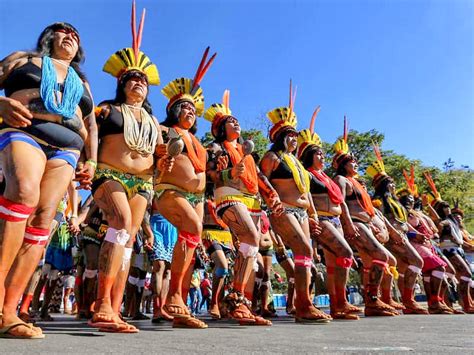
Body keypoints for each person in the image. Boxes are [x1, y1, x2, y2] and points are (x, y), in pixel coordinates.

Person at [0, 21, 96, 338]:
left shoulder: (81, 80)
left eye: (75, 34)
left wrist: (92, 160)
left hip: (67, 148)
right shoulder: (21, 59)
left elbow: (92, 125)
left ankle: (10, 311)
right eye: (62, 31)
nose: (69, 35)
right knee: (23, 195)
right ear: (48, 38)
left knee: (43, 218)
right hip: (24, 131)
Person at [88, 3, 168, 333]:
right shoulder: (106, 110)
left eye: (142, 80)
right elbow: (85, 131)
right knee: (119, 224)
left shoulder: (154, 123)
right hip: (110, 173)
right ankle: (102, 304)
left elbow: (165, 152)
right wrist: (85, 163)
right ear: (121, 83)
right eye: (131, 79)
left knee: (129, 239)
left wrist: (166, 157)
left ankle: (114, 307)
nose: (137, 83)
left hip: (143, 181)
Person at [204, 90, 283, 325]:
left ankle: (243, 305)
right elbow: (209, 173)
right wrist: (228, 172)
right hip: (229, 197)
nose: (236, 123)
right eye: (230, 121)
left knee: (250, 250)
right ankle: (236, 298)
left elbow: (259, 177)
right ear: (220, 128)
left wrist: (272, 195)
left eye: (237, 121)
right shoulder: (216, 147)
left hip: (253, 202)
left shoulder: (247, 154)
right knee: (250, 239)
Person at [260, 83, 332, 323]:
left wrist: (312, 214)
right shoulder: (272, 157)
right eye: (290, 134)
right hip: (283, 210)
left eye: (295, 134)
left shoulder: (298, 164)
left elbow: (307, 191)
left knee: (306, 256)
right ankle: (303, 305)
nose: (294, 138)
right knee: (304, 250)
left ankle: (304, 303)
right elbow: (260, 180)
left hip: (302, 212)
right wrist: (272, 199)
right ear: (281, 137)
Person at [156, 47, 216, 329]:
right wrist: (161, 155)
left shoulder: (198, 143)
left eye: (194, 110)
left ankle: (177, 301)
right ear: (173, 110)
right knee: (191, 228)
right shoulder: (162, 129)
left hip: (196, 197)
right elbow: (149, 151)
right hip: (168, 190)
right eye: (185, 108)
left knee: (191, 239)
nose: (190, 113)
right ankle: (173, 298)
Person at [297, 108, 360, 320]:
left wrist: (346, 223)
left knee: (334, 264)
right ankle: (341, 301)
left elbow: (340, 203)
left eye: (323, 153)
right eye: (318, 153)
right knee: (346, 253)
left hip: (336, 220)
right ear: (308, 156)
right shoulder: (306, 174)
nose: (322, 156)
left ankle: (337, 306)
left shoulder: (326, 177)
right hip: (322, 220)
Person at [332, 119, 396, 316]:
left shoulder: (356, 182)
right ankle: (372, 300)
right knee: (382, 256)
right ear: (343, 164)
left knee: (375, 262)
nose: (356, 163)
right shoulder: (342, 179)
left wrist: (374, 224)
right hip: (356, 224)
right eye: (352, 161)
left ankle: (373, 303)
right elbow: (340, 202)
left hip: (365, 224)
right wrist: (349, 225)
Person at [367, 145, 427, 314]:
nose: (393, 186)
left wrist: (415, 233)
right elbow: (382, 219)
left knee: (400, 268)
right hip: (392, 237)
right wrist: (391, 233)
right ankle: (406, 300)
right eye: (390, 183)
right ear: (384, 185)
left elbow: (403, 221)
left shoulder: (396, 203)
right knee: (416, 261)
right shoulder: (378, 200)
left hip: (403, 235)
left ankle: (399, 299)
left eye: (393, 183)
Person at [397, 169, 452, 314]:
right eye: (408, 199)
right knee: (440, 268)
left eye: (412, 199)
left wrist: (428, 206)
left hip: (428, 244)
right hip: (415, 244)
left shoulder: (417, 213)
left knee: (429, 274)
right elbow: (401, 227)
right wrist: (413, 234)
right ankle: (433, 301)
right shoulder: (402, 211)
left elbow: (436, 223)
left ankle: (434, 303)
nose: (412, 200)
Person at [424, 173, 474, 313]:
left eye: (447, 206)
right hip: (448, 250)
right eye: (443, 207)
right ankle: (462, 303)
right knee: (465, 273)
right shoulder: (440, 221)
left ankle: (466, 302)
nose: (447, 208)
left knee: (462, 275)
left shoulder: (452, 222)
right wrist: (428, 206)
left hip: (458, 250)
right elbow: (436, 219)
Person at [143, 204, 177, 322]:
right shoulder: (153, 188)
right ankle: (157, 308)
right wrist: (148, 233)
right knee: (159, 265)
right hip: (155, 226)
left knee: (168, 270)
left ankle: (162, 308)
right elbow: (144, 211)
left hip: (172, 228)